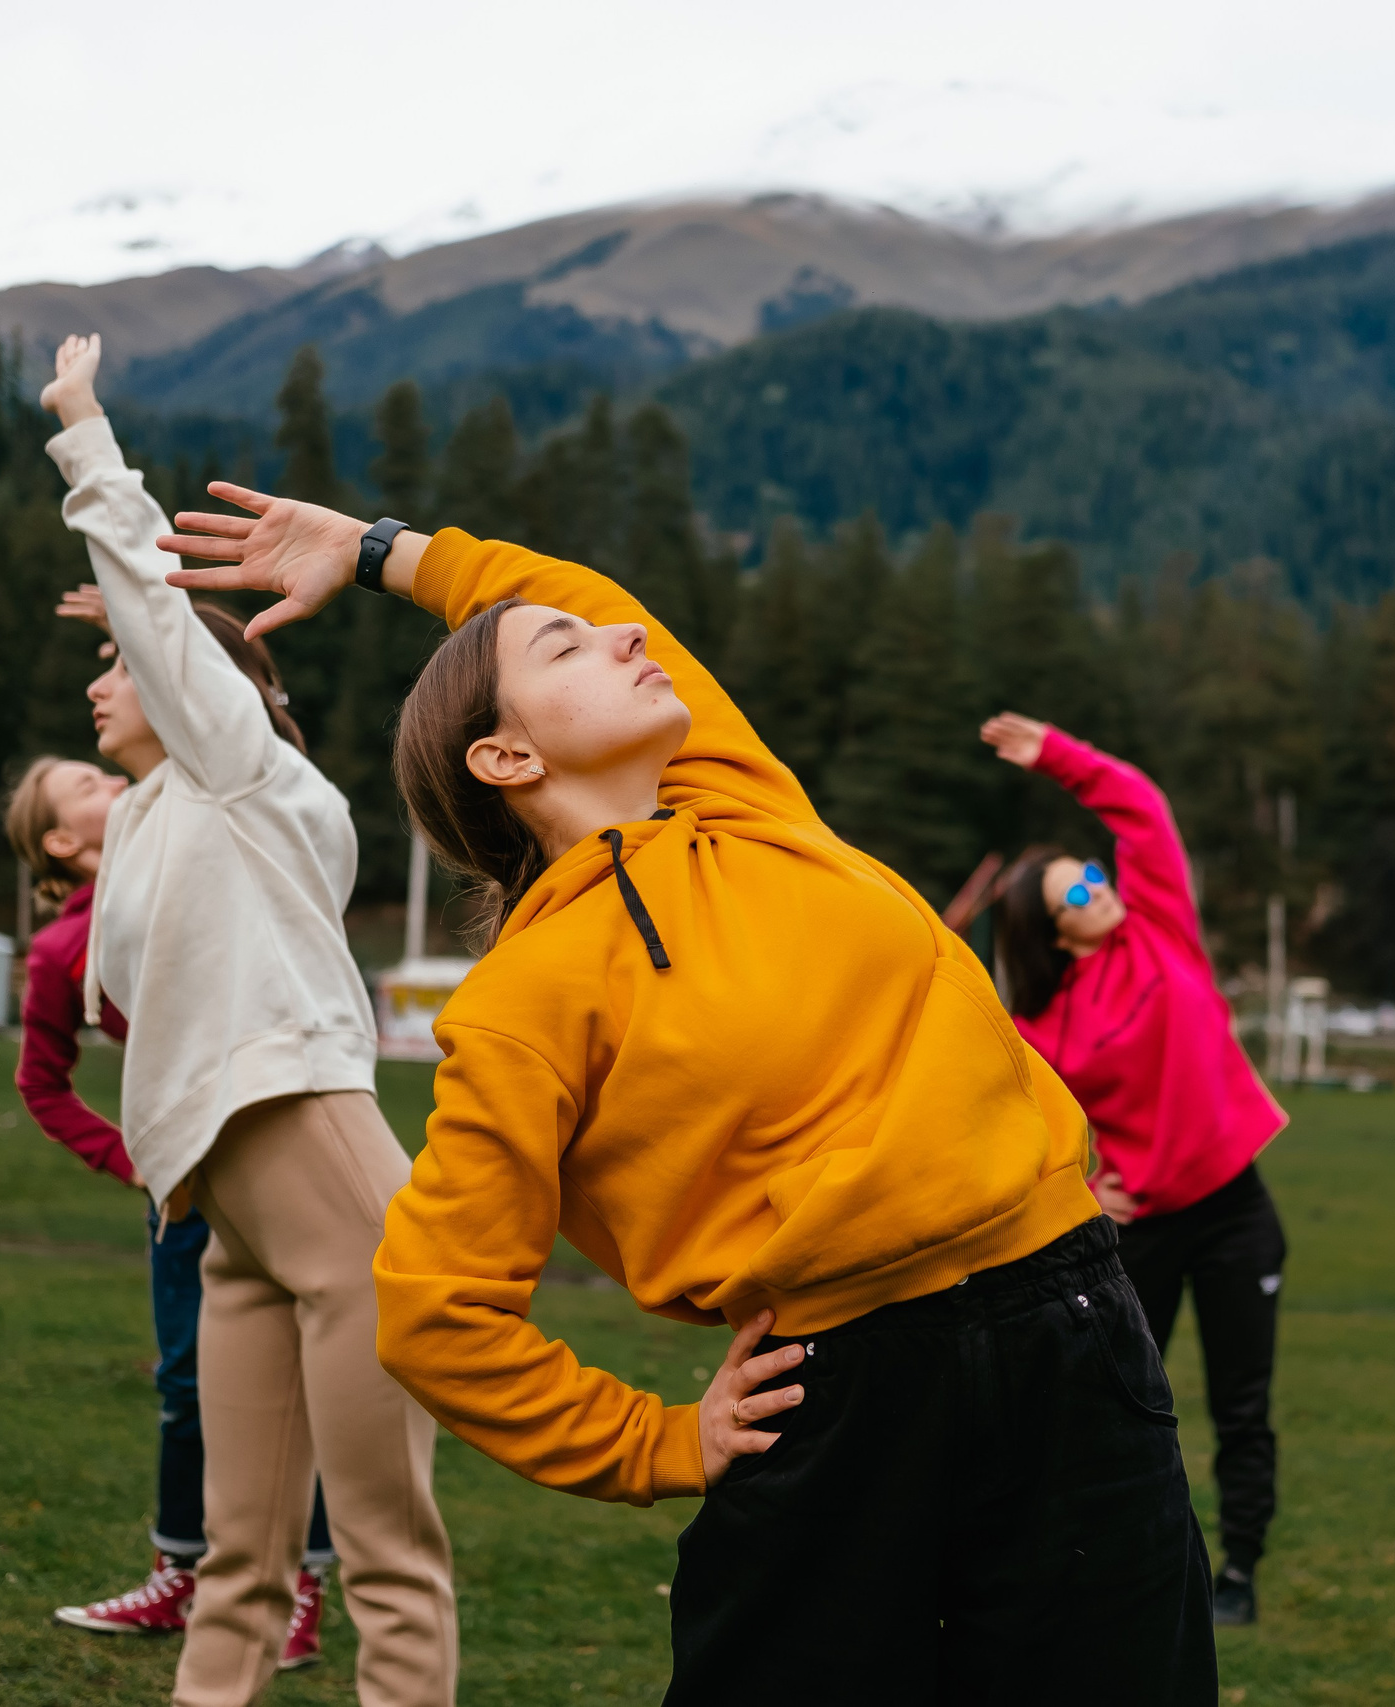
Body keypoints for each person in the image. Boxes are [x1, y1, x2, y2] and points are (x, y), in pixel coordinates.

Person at [152, 464, 1219, 1706]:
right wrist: (658, 1440)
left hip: (1071, 1331)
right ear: (504, 755)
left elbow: (583, 593)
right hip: (841, 1392)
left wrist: (384, 549)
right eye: (569, 653)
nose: (620, 638)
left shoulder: (747, 807)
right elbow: (434, 1312)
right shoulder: (523, 998)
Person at [37, 333, 456, 1707]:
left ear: (195, 689)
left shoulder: (245, 775)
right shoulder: (166, 816)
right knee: (240, 1564)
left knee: (387, 1551)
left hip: (314, 1158)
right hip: (228, 1205)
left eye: (126, 668)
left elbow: (161, 621)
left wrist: (86, 436)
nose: (102, 684)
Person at [2, 612, 336, 1669]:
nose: (103, 781)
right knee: (190, 1378)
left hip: (274, 1130)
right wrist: (137, 1159)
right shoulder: (65, 945)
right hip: (182, 1172)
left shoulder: (210, 816)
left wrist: (171, 619)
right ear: (62, 843)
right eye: (82, 794)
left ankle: (298, 1590)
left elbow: (233, 733)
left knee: (311, 1371)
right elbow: (41, 1085)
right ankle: (185, 1571)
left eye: (97, 778)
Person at [978, 711, 1288, 1627]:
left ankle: (1240, 1573)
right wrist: (1082, 1189)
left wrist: (1061, 759)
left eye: (1095, 878)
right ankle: (1114, 1562)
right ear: (1049, 930)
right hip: (1139, 1231)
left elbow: (1142, 808)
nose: (1099, 893)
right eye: (1078, 896)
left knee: (1243, 1402)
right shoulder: (1042, 1028)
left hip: (1238, 1211)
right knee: (1118, 1408)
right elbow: (1017, 1136)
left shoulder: (1162, 929)